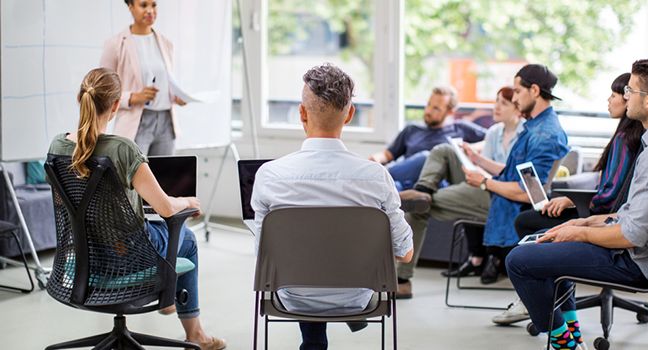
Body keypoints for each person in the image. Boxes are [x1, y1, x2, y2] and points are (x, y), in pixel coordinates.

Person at [505, 59, 648, 350]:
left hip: (633, 262)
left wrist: (578, 234)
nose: (625, 95)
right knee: (550, 242)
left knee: (519, 261)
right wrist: (584, 222)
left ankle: (565, 344)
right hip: (643, 254)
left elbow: (631, 235)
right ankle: (573, 336)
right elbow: (633, 214)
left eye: (629, 90)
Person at [47, 68, 225, 350]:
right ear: (117, 105)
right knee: (187, 239)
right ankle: (194, 332)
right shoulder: (122, 149)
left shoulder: (57, 145)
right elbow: (166, 208)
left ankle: (173, 301)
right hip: (127, 255)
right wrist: (188, 202)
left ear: (79, 98)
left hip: (84, 256)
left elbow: (63, 204)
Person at [251, 64, 414, 350]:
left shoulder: (269, 175)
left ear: (302, 113)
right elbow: (405, 252)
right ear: (350, 114)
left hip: (292, 294)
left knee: (305, 259)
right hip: (355, 296)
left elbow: (264, 254)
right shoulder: (376, 177)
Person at [492, 73, 646, 326]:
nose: (609, 100)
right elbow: (610, 184)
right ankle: (563, 319)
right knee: (532, 225)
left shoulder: (625, 139)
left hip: (605, 219)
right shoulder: (630, 135)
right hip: (610, 216)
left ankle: (543, 307)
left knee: (527, 228)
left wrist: (578, 208)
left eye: (615, 94)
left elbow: (611, 194)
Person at [394, 86, 525, 298]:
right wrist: (472, 157)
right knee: (443, 150)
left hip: (500, 194)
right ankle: (423, 190)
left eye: (504, 103)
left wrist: (481, 169)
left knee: (418, 211)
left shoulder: (525, 136)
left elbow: (514, 177)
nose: (496, 106)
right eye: (496, 101)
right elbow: (485, 166)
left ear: (518, 109)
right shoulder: (494, 132)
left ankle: (402, 279)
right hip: (482, 183)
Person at [460, 64, 569, 287]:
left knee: (432, 201)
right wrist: (478, 160)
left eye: (518, 92)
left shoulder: (542, 135)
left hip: (514, 203)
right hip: (503, 193)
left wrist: (484, 182)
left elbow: (528, 192)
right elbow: (516, 173)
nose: (515, 98)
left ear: (535, 91)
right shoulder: (534, 127)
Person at [100, 0, 187, 156]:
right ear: (130, 6)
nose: (150, 10)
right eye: (143, 5)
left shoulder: (166, 43)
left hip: (166, 123)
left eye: (154, 5)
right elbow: (103, 91)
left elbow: (166, 82)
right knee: (133, 178)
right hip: (136, 122)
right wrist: (133, 97)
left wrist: (177, 96)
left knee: (165, 178)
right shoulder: (115, 44)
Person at [369, 86, 486, 191]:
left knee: (428, 157)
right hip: (407, 182)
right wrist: (376, 159)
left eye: (436, 108)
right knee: (392, 189)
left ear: (450, 112)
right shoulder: (412, 129)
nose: (428, 111)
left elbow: (491, 139)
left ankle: (380, 177)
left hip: (439, 183)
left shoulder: (461, 128)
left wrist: (470, 148)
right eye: (428, 104)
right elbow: (388, 154)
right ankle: (381, 179)